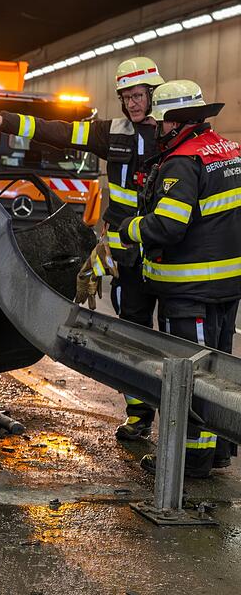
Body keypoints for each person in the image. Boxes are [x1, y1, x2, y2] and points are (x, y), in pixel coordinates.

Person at [0, 57, 163, 440]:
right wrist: (6, 121)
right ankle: (140, 414)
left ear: (154, 94)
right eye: (126, 97)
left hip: (166, 251)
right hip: (128, 253)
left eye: (139, 95)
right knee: (132, 335)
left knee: (176, 339)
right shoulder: (113, 133)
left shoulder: (171, 134)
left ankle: (190, 423)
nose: (132, 103)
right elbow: (57, 132)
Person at [118, 79, 241, 477]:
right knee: (219, 373)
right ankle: (218, 450)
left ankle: (191, 460)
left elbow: (168, 226)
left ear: (175, 122)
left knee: (191, 377)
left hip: (190, 289)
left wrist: (130, 229)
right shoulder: (229, 151)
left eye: (160, 122)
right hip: (227, 285)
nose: (156, 128)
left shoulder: (182, 162)